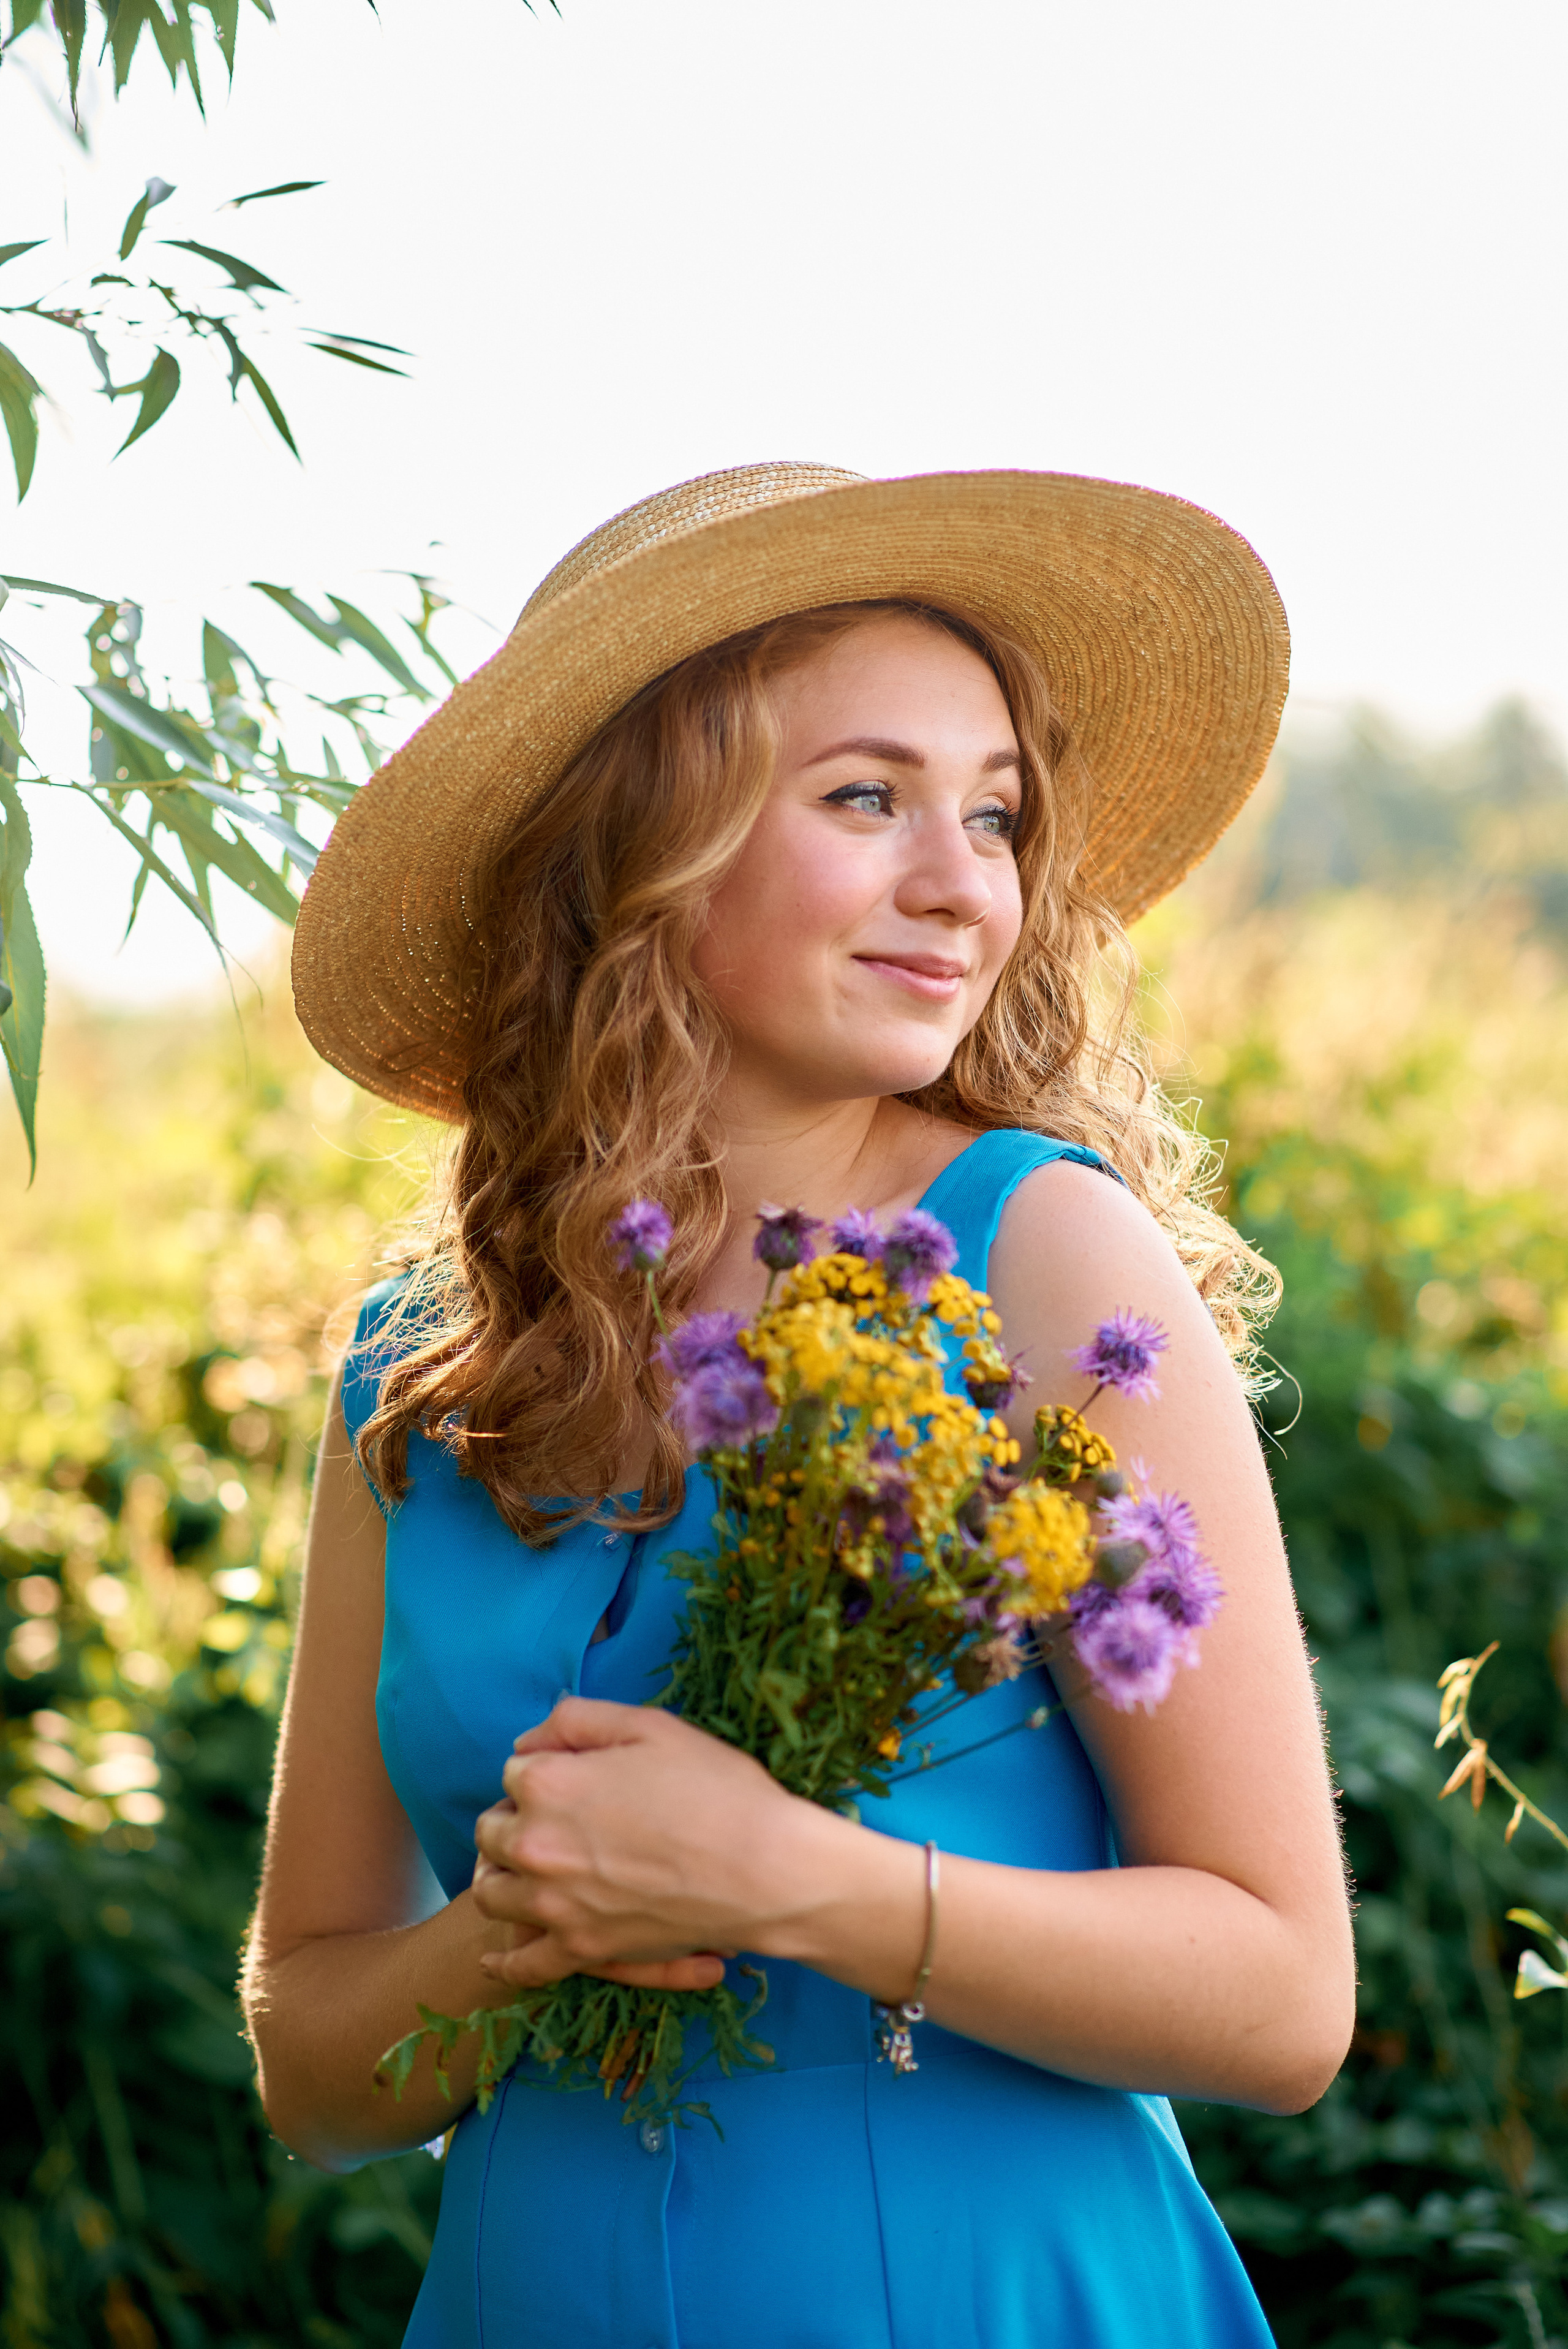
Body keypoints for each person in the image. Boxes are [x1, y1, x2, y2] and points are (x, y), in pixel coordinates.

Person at [246, 462, 1354, 2348]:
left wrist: (801, 1883)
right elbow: (315, 2064)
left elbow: (1282, 1998)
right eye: (866, 797)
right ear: (641, 847)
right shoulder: (423, 1354)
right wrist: (516, 1934)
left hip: (982, 2299)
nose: (964, 884)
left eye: (995, 814)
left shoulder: (1041, 1257)